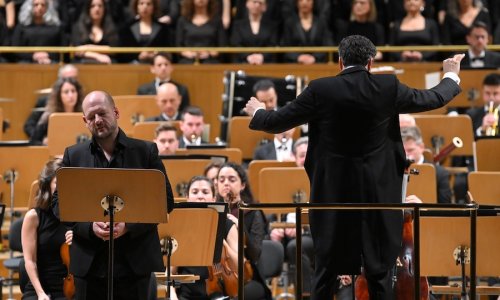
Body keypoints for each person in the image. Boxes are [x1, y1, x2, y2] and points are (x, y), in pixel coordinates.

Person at [244, 35, 464, 300]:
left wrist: (257, 111)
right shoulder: (387, 86)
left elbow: (277, 122)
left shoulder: (320, 90)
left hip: (332, 199)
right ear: (370, 62)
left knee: (325, 272)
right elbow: (433, 98)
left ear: (340, 62)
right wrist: (451, 75)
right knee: (379, 273)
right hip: (378, 200)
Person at [52, 90, 174, 300]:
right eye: (91, 117)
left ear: (116, 112)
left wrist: (127, 226)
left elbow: (165, 201)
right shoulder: (74, 155)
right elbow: (59, 204)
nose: (97, 120)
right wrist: (90, 227)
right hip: (89, 265)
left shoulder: (146, 152)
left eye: (102, 113)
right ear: (84, 120)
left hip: (135, 264)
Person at [170, 175, 239, 299]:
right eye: (195, 192)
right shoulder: (180, 227)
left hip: (221, 293)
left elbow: (240, 266)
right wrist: (172, 294)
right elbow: (170, 271)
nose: (200, 196)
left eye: (205, 192)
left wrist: (223, 244)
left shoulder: (227, 225)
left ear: (213, 198)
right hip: (188, 295)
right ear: (187, 197)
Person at [216, 162, 272, 299]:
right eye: (221, 180)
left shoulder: (253, 213)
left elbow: (255, 254)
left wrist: (241, 226)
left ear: (242, 185)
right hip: (216, 276)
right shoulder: (211, 212)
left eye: (232, 179)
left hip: (247, 277)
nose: (226, 183)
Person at [21, 158, 67, 300]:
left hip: (71, 287)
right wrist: (41, 293)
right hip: (41, 287)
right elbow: (30, 260)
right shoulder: (34, 217)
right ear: (47, 186)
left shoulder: (77, 216)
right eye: (58, 183)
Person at [24, 64, 79, 138]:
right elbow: (29, 126)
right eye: (67, 79)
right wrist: (42, 140)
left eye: (74, 79)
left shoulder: (83, 102)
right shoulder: (45, 102)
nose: (71, 82)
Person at [400, 126, 452, 204]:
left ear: (421, 147)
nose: (406, 155)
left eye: (410, 150)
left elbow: (445, 210)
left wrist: (423, 208)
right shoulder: (392, 171)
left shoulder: (440, 173)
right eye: (403, 151)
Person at [30, 77, 84, 145]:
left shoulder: (84, 114)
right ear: (59, 95)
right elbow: (33, 142)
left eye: (73, 91)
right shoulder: (49, 116)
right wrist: (44, 143)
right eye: (66, 92)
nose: (71, 95)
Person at [230, 0, 279, 64]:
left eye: (260, 3)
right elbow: (235, 44)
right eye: (254, 2)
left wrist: (261, 56)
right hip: (242, 62)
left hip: (266, 63)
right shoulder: (238, 25)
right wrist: (248, 56)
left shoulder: (272, 26)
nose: (257, 5)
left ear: (265, 7)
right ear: (247, 4)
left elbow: (273, 45)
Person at [70, 0, 119, 64]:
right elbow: (77, 50)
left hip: (107, 64)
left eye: (100, 6)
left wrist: (87, 47)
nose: (97, 9)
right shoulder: (77, 27)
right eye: (92, 6)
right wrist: (98, 56)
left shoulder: (111, 27)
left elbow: (113, 49)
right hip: (83, 63)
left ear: (104, 9)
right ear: (88, 9)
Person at [466, 72, 500, 138]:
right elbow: (468, 141)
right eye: (487, 93)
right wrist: (482, 130)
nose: (491, 97)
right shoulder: (471, 115)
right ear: (482, 92)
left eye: (495, 93)